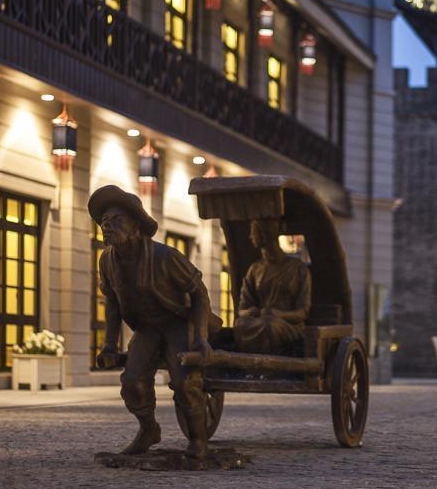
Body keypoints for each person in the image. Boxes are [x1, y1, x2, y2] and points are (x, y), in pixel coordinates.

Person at [89, 185, 221, 458]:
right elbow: (112, 304)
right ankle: (148, 429)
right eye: (104, 223)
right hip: (148, 327)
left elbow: (199, 293)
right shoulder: (107, 261)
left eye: (116, 221)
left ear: (136, 225)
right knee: (132, 381)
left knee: (186, 383)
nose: (107, 227)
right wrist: (109, 346)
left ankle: (198, 441)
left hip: (178, 321)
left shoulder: (165, 256)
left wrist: (200, 338)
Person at [234, 219, 312, 355]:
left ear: (265, 235)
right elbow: (242, 309)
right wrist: (251, 312)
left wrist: (278, 314)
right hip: (260, 321)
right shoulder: (255, 269)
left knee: (270, 326)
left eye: (254, 233)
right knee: (240, 325)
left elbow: (303, 312)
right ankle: (250, 366)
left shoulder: (298, 269)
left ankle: (268, 369)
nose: (250, 237)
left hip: (288, 326)